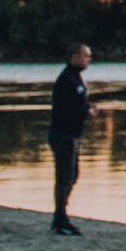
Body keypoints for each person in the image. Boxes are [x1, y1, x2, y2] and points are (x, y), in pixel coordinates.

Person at [48, 43, 95, 235]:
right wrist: (86, 112)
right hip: (62, 134)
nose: (88, 60)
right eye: (85, 56)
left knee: (72, 175)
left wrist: (88, 108)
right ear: (74, 57)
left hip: (72, 135)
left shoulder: (76, 78)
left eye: (89, 56)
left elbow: (78, 103)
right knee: (65, 176)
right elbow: (65, 110)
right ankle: (60, 218)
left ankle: (61, 215)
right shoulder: (66, 79)